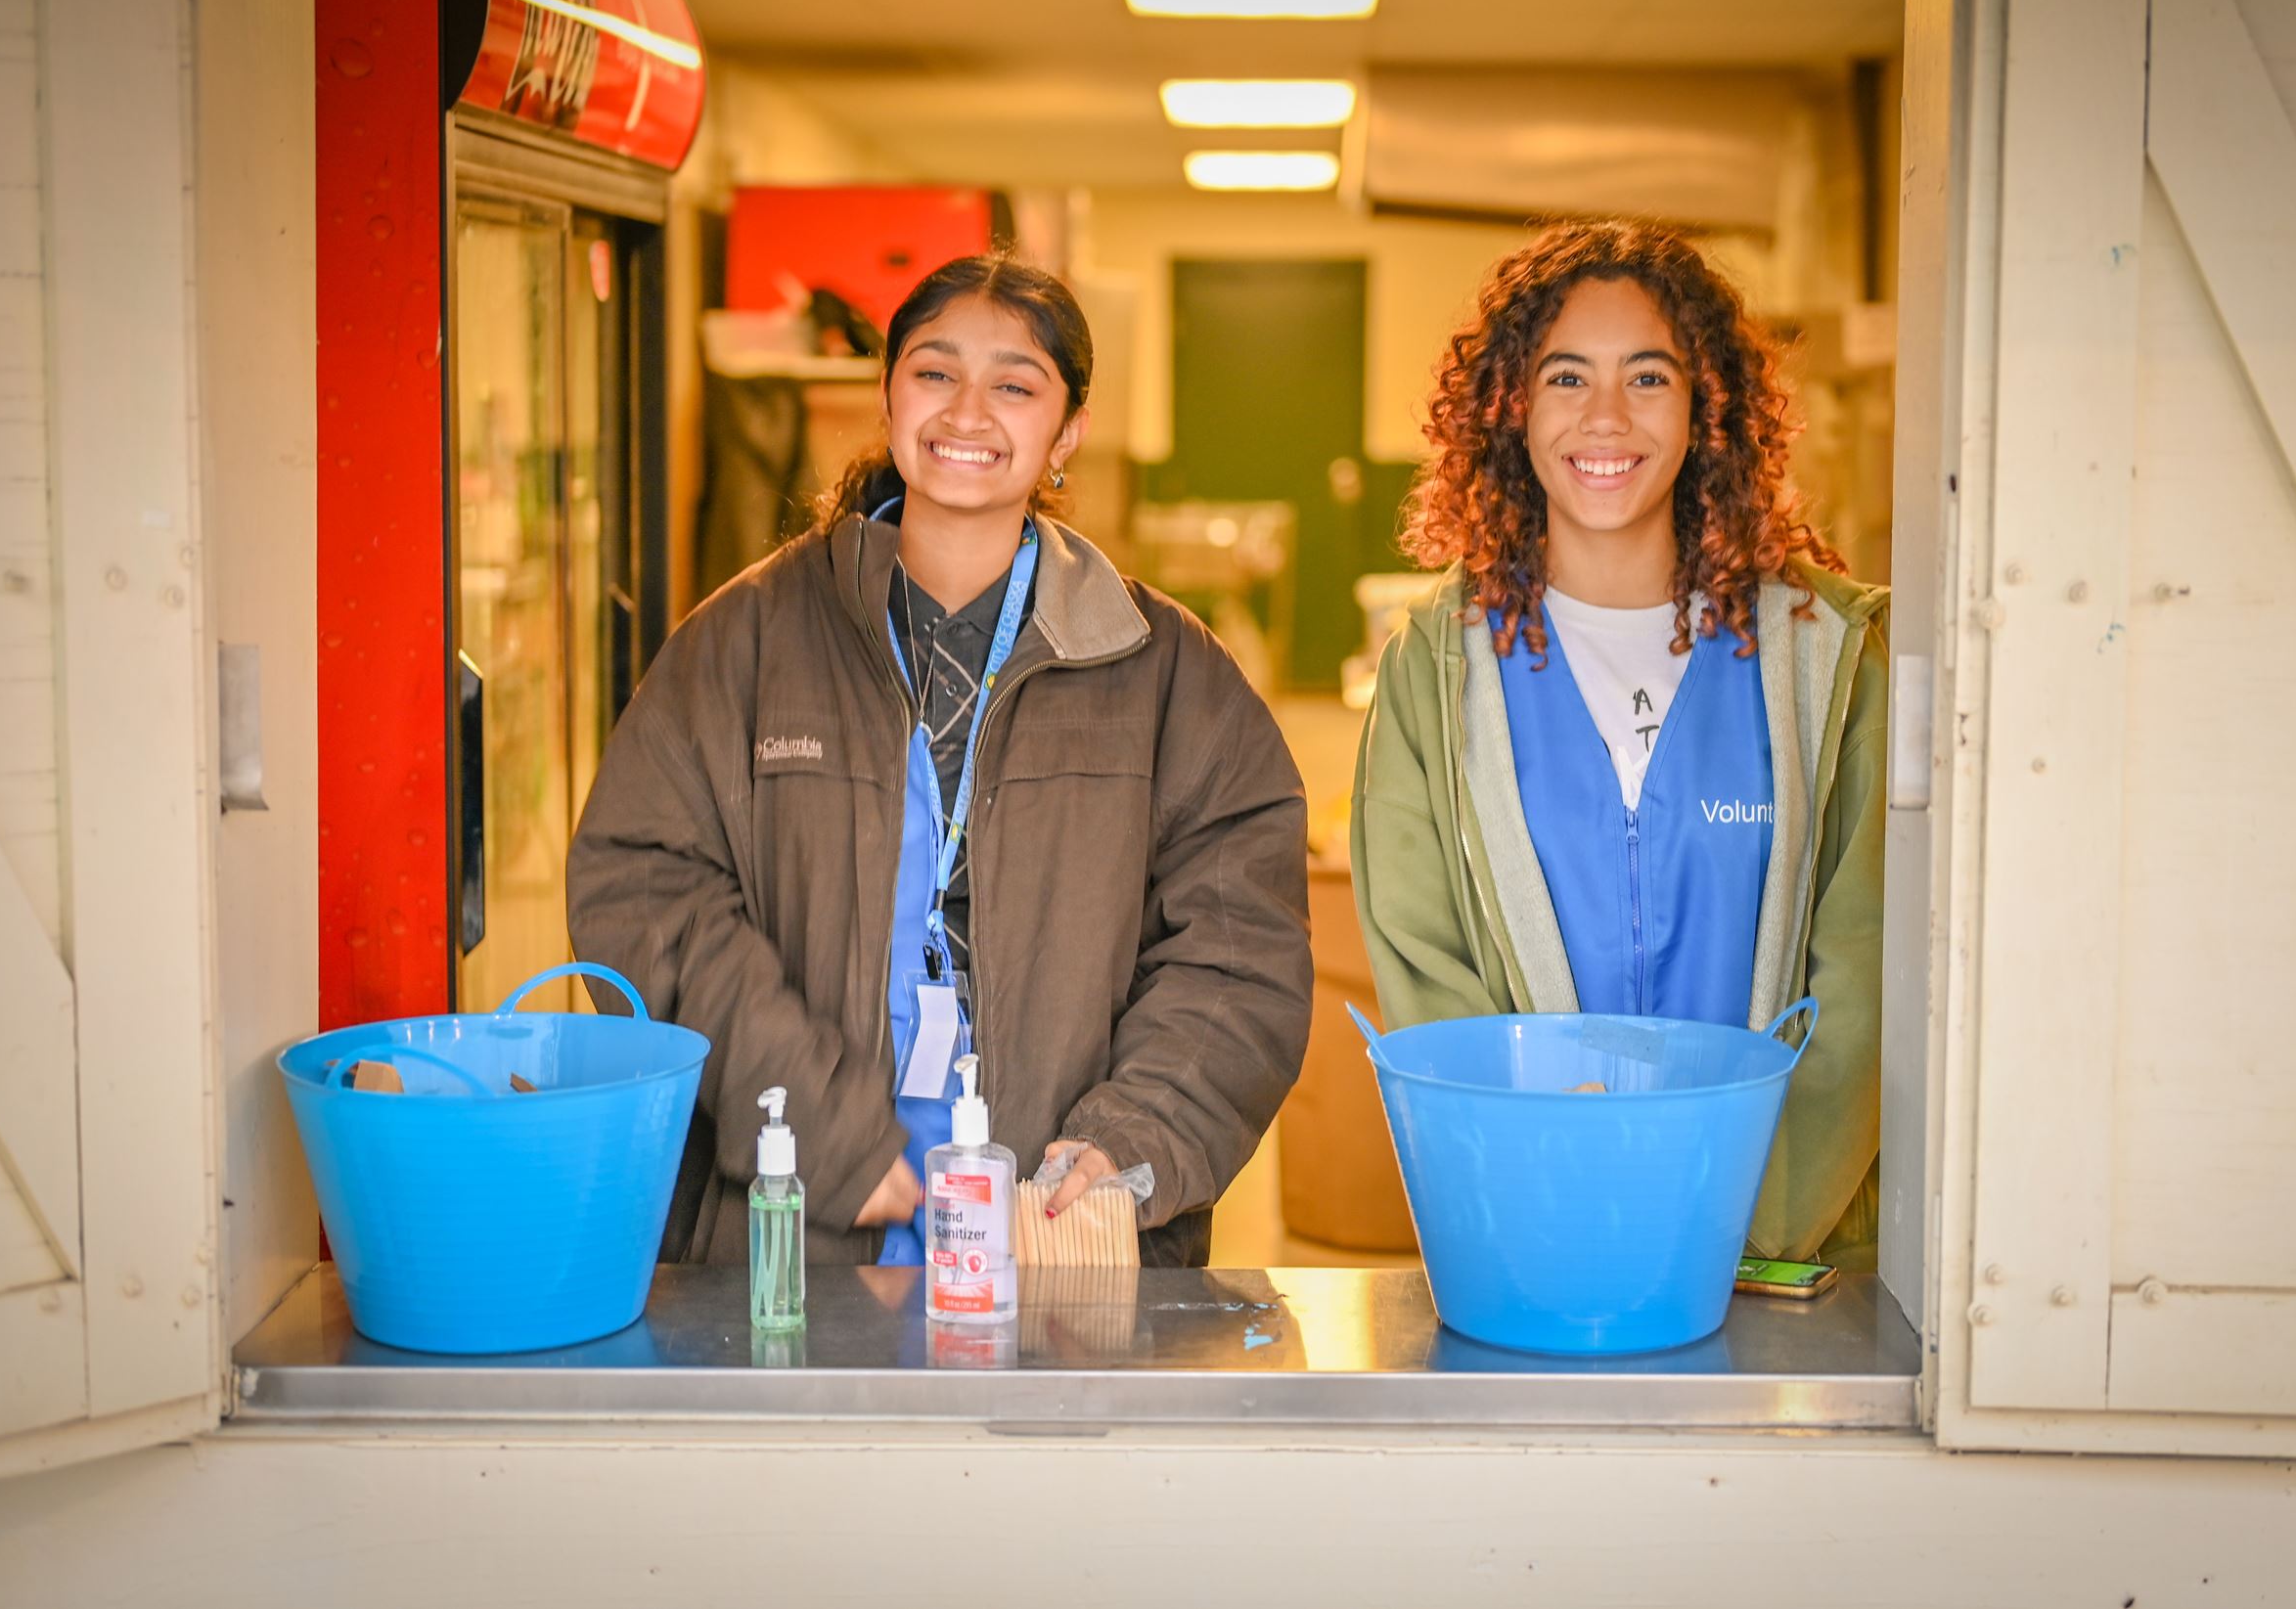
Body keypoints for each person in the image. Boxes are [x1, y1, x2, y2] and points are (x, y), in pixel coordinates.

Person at [570, 254, 1312, 1269]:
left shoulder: (1166, 671)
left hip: (1056, 1230)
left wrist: (1126, 1139)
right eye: (934, 372)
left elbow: (1241, 949)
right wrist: (812, 1118)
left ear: (1067, 432)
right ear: (885, 395)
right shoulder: (745, 639)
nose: (968, 412)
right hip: (800, 1216)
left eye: (1014, 385)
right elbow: (642, 883)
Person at [1350, 219, 1886, 1270]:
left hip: (1781, 1253)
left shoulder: (1822, 657)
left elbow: (1863, 969)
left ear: (1705, 408)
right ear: (1510, 408)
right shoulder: (1435, 667)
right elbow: (1426, 971)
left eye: (1647, 376)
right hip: (1540, 1236)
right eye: (1564, 378)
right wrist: (1554, 1178)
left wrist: (1745, 1214)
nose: (1605, 417)